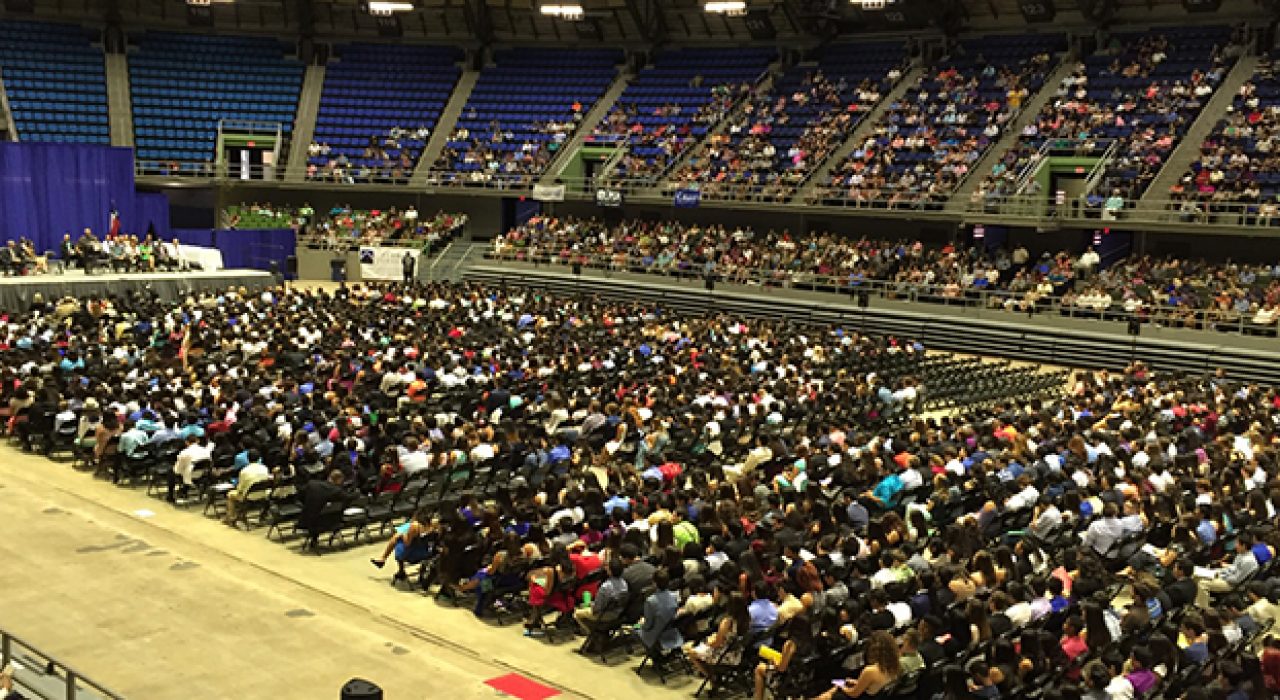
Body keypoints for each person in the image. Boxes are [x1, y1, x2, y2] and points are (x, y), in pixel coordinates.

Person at [814, 630, 902, 699]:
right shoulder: (895, 665)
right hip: (872, 695)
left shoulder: (870, 670)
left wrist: (842, 687)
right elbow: (873, 684)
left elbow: (853, 694)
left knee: (832, 692)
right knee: (838, 686)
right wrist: (857, 682)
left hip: (860, 697)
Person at [686, 593, 750, 678]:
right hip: (737, 654)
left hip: (724, 656)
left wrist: (707, 643)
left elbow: (717, 643)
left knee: (691, 652)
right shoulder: (747, 619)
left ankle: (711, 677)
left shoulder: (727, 622)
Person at [371, 507, 436, 584]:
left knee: (397, 539)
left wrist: (403, 535)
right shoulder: (433, 526)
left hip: (411, 555)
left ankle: (389, 563)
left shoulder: (415, 526)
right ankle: (413, 573)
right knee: (398, 537)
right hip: (426, 553)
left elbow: (407, 543)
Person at [575, 557, 628, 635]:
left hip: (604, 615)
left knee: (577, 613)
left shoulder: (605, 587)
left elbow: (596, 609)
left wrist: (589, 605)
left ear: (610, 571)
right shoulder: (624, 583)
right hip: (618, 612)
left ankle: (591, 633)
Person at [639, 568, 682, 653]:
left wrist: (641, 624)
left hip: (657, 635)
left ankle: (655, 657)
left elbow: (648, 626)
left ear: (654, 583)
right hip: (672, 633)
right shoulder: (675, 596)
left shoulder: (650, 601)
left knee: (635, 628)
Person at [222, 451, 270, 526]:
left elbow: (240, 489)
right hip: (263, 494)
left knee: (230, 494)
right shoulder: (264, 468)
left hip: (248, 496)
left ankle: (230, 518)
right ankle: (261, 516)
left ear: (248, 459)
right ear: (259, 458)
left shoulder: (244, 471)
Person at [169, 433, 211, 503]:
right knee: (185, 469)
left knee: (171, 472)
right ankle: (184, 490)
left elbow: (177, 471)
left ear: (186, 442)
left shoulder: (184, 453)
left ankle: (170, 496)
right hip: (203, 475)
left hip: (190, 476)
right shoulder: (206, 451)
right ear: (197, 441)